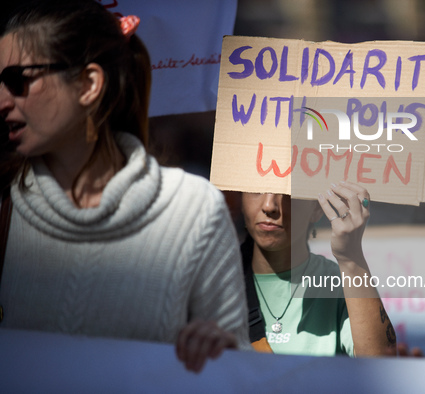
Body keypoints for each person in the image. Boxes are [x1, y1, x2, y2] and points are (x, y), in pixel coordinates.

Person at [0, 0, 249, 372]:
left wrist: (222, 352)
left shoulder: (193, 208)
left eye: (19, 81)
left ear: (88, 84)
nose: (3, 101)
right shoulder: (5, 206)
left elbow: (237, 370)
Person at [239, 182, 396, 356]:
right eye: (256, 190)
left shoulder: (343, 284)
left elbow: (380, 367)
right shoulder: (214, 282)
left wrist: (351, 258)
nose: (269, 206)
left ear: (316, 208)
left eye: (288, 192)